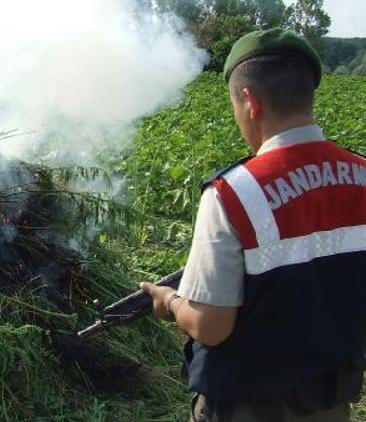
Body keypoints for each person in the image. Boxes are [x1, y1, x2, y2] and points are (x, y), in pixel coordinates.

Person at [140, 28, 366, 422]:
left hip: (249, 407)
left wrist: (170, 302)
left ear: (249, 101)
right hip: (330, 400)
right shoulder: (361, 173)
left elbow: (211, 327)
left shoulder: (233, 193)